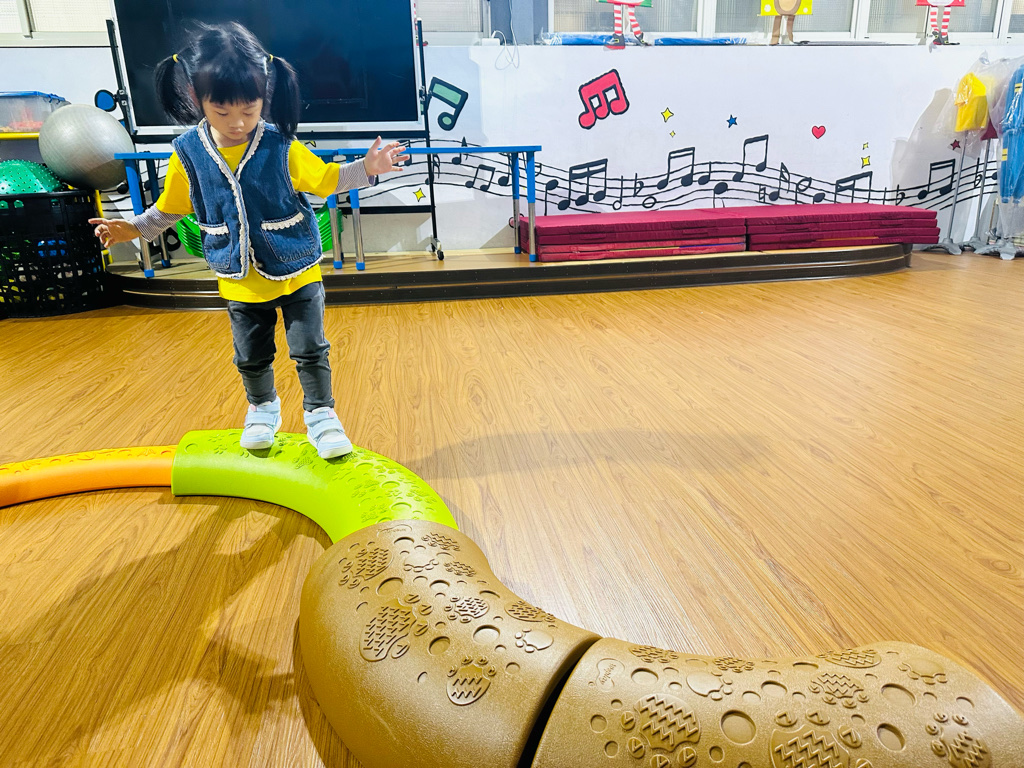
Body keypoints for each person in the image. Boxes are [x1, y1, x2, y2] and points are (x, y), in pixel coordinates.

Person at [90, 22, 406, 459]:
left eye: (249, 110)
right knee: (251, 355)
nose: (237, 123)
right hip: (238, 278)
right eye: (221, 112)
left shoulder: (281, 145)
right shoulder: (188, 153)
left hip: (297, 270)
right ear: (197, 97)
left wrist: (368, 168)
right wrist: (132, 228)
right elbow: (170, 208)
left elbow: (328, 180)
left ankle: (321, 415)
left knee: (310, 349)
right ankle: (262, 410)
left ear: (264, 97)